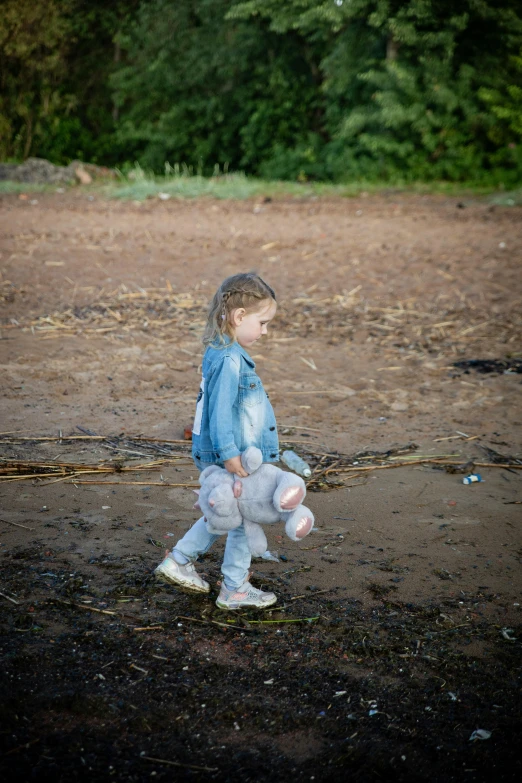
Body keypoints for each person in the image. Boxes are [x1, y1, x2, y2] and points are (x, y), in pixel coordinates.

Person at [155, 272, 280, 609]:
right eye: (263, 322)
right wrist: (229, 454)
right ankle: (234, 587)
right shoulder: (228, 360)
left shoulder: (220, 350)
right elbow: (221, 413)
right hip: (234, 452)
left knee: (223, 509)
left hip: (227, 450)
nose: (265, 331)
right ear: (239, 316)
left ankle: (180, 559)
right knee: (245, 514)